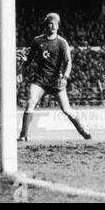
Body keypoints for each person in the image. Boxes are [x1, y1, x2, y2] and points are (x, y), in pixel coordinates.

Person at [17, 13, 91, 141]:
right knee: (30, 102)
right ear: (46, 25)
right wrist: (20, 72)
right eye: (50, 23)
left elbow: (68, 62)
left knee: (67, 109)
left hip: (55, 80)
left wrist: (65, 78)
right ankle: (23, 135)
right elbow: (28, 60)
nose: (52, 26)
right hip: (40, 80)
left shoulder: (62, 43)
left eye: (55, 24)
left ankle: (82, 130)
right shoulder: (37, 41)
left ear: (58, 26)